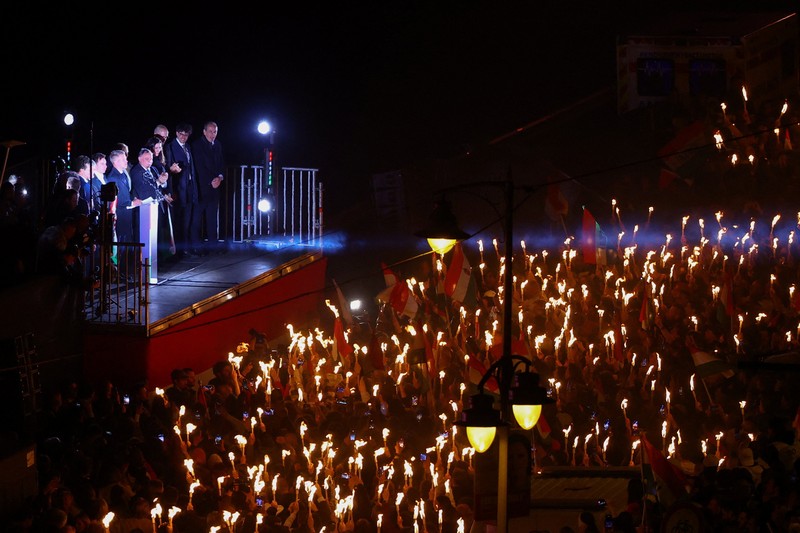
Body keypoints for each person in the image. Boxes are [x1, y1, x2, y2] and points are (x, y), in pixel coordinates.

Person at [164, 123, 200, 258]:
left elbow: (192, 168)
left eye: (186, 135)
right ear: (177, 133)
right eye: (181, 134)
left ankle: (186, 248)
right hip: (178, 189)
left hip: (190, 187)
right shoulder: (170, 147)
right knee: (179, 221)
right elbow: (168, 168)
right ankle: (179, 250)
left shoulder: (188, 147)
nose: (184, 137)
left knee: (188, 220)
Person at [192, 121, 226, 255]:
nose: (213, 134)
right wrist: (209, 181)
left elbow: (221, 163)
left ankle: (213, 245)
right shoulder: (197, 145)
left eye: (215, 131)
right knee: (197, 218)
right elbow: (199, 167)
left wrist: (220, 177)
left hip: (215, 187)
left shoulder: (218, 145)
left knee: (212, 218)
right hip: (201, 187)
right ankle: (196, 246)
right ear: (204, 132)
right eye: (211, 131)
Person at [145, 136, 176, 260]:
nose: (158, 150)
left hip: (162, 197)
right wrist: (163, 193)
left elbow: (163, 180)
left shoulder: (160, 161)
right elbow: (152, 183)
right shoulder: (151, 163)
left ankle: (163, 256)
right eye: (156, 147)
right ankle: (157, 257)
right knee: (157, 228)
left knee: (163, 227)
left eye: (160, 147)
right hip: (156, 199)